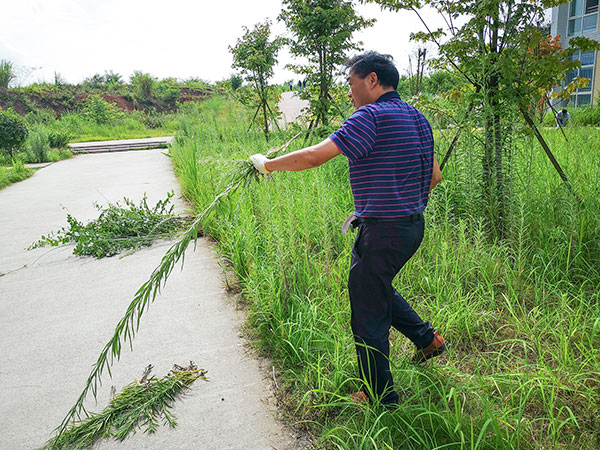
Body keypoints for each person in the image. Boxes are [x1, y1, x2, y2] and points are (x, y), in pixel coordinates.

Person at [250, 51, 445, 407]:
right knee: (375, 287)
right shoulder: (418, 118)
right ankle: (427, 340)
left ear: (371, 80)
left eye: (351, 84)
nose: (350, 93)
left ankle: (380, 397)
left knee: (367, 312)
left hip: (382, 232)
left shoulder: (369, 116)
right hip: (412, 228)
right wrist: (401, 197)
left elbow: (313, 156)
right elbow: (435, 177)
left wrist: (269, 165)